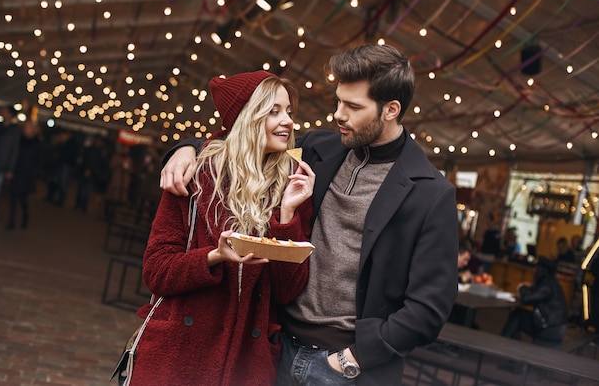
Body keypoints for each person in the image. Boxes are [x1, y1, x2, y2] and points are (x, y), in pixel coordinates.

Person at [160, 44, 459, 385]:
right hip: (275, 351)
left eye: (352, 106)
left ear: (391, 109)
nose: (338, 115)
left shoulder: (431, 193)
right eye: (338, 101)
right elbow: (248, 137)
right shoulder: (319, 149)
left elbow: (430, 308)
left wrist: (352, 360)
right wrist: (187, 148)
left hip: (347, 369)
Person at [128, 71, 315, 386]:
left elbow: (287, 292)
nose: (288, 121)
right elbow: (156, 271)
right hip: (178, 357)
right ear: (248, 117)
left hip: (246, 363)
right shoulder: (195, 175)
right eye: (274, 111)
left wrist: (287, 214)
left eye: (289, 112)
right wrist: (214, 256)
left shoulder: (292, 185)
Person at [500, 257, 569, 345]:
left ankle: (502, 341)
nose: (534, 271)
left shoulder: (546, 285)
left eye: (536, 268)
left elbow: (526, 299)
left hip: (551, 328)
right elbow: (537, 295)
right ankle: (510, 344)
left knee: (517, 315)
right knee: (518, 316)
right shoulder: (551, 282)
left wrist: (523, 287)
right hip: (555, 325)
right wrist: (530, 287)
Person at [6, 120, 43, 229]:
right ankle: (11, 221)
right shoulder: (19, 140)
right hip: (17, 171)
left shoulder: (37, 143)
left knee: (23, 199)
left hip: (28, 174)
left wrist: (35, 174)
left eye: (28, 127)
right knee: (13, 197)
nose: (26, 129)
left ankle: (25, 216)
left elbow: (39, 160)